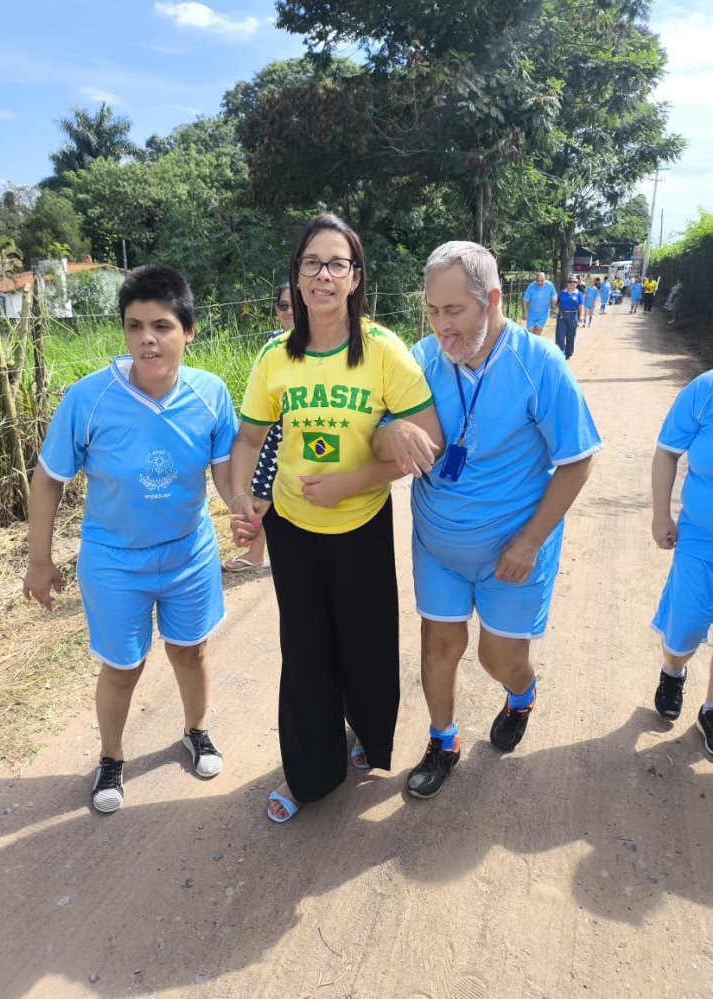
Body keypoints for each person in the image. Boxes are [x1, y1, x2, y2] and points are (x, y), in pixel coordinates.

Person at [229, 213, 440, 823]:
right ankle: (309, 773)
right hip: (293, 529)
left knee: (366, 645)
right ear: (296, 276)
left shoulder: (382, 352)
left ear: (355, 279)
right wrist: (243, 496)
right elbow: (248, 438)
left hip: (361, 526)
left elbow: (429, 439)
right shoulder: (274, 357)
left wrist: (353, 482)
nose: (324, 275)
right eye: (312, 263)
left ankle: (367, 742)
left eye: (337, 264)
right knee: (305, 651)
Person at [373, 241, 601, 798]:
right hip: (438, 543)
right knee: (439, 646)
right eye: (432, 310)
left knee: (498, 657)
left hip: (512, 550)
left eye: (454, 311)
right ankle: (442, 740)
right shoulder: (420, 361)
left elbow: (576, 460)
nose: (441, 327)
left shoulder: (538, 364)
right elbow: (376, 438)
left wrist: (529, 542)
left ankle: (522, 694)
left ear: (493, 299)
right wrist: (390, 433)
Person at [23, 267, 238, 813]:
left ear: (188, 331)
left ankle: (194, 731)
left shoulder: (210, 394)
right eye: (134, 325)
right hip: (113, 560)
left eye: (162, 325)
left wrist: (243, 509)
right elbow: (48, 478)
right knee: (123, 666)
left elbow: (223, 470)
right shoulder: (89, 398)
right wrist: (39, 559)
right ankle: (112, 759)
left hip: (189, 551)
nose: (147, 338)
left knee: (191, 650)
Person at [650, 370, 713, 758]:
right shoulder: (705, 390)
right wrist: (661, 515)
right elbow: (667, 450)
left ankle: (710, 710)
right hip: (700, 539)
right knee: (684, 629)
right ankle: (673, 671)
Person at [222, 282, 293, 572]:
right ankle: (255, 552)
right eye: (283, 305)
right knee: (259, 493)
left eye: (294, 304)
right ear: (276, 310)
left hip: (297, 436)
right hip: (270, 433)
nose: (289, 311)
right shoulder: (273, 343)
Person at [555, 276, 584, 360]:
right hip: (562, 315)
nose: (572, 284)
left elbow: (580, 305)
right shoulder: (562, 292)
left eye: (574, 282)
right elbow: (557, 302)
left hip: (573, 315)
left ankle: (568, 352)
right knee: (560, 334)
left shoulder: (578, 294)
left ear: (577, 283)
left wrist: (581, 315)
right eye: (570, 282)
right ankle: (560, 351)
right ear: (567, 283)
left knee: (571, 334)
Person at [521, 271, 557, 335]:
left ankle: (535, 345)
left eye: (542, 281)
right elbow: (525, 300)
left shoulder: (550, 285)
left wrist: (553, 306)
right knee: (530, 333)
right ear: (535, 280)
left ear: (545, 279)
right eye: (538, 281)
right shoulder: (531, 286)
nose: (540, 282)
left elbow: (554, 296)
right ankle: (531, 344)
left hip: (543, 314)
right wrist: (525, 313)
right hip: (531, 314)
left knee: (537, 332)